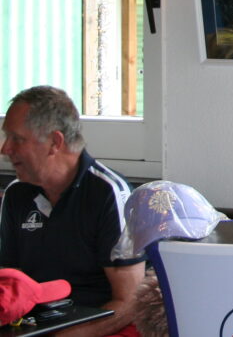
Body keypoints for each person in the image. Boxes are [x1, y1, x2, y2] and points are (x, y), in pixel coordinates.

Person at [0, 86, 145, 337]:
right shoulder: (16, 194)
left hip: (100, 325)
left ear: (55, 142)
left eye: (17, 139)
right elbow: (10, 283)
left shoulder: (109, 193)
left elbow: (130, 301)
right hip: (34, 324)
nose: (5, 149)